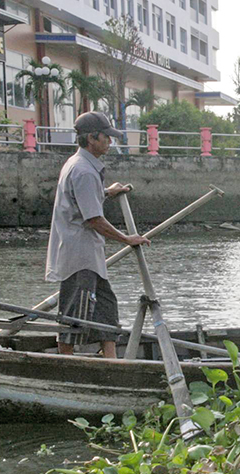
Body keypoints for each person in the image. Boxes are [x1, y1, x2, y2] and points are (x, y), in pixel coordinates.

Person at [45, 111, 150, 358]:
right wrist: (127, 239)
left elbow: (83, 199)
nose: (110, 142)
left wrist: (107, 192)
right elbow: (93, 219)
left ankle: (111, 361)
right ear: (92, 138)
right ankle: (66, 365)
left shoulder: (79, 165)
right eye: (106, 137)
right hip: (79, 254)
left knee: (106, 306)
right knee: (74, 313)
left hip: (89, 255)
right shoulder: (84, 171)